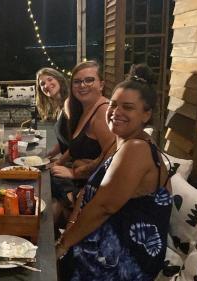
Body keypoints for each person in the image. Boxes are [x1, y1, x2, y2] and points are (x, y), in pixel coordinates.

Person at [56, 64, 172, 280]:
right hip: (109, 238)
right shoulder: (122, 144)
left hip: (127, 257)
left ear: (146, 115)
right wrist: (70, 228)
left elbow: (103, 207)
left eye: (127, 107)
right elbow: (88, 196)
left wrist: (63, 245)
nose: (116, 112)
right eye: (114, 105)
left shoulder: (135, 148)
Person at [50, 61, 115, 227]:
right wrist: (57, 162)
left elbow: (112, 155)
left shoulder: (102, 111)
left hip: (95, 188)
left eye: (89, 80)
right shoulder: (84, 108)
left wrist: (74, 173)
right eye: (77, 82)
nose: (82, 85)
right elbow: (75, 149)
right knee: (45, 180)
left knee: (49, 195)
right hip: (82, 181)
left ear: (101, 84)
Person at [35, 67, 71, 157]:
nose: (46, 85)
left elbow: (76, 143)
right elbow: (64, 142)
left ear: (59, 79)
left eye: (50, 79)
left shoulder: (69, 104)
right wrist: (47, 156)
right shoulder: (59, 106)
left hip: (77, 163)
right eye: (42, 84)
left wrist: (59, 162)